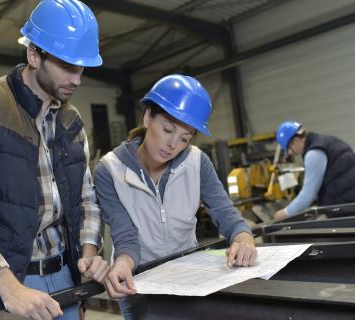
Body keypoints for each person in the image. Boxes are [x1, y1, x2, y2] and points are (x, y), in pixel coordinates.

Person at [0, 0, 109, 318]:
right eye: (67, 66)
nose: (77, 79)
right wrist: (9, 288)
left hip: (66, 282)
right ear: (33, 54)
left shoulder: (71, 121)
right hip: (2, 286)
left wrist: (89, 251)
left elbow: (86, 201)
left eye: (82, 67)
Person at [94, 74, 257, 319]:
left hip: (190, 275)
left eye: (184, 138)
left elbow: (225, 212)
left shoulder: (197, 161)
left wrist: (244, 239)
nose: (172, 145)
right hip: (140, 282)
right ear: (148, 117)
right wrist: (123, 264)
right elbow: (125, 234)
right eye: (167, 129)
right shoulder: (110, 170)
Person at [273, 121, 355, 221]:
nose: (293, 153)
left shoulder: (314, 153)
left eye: (290, 149)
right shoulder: (326, 140)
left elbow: (308, 194)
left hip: (353, 208)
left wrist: (285, 213)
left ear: (294, 141)